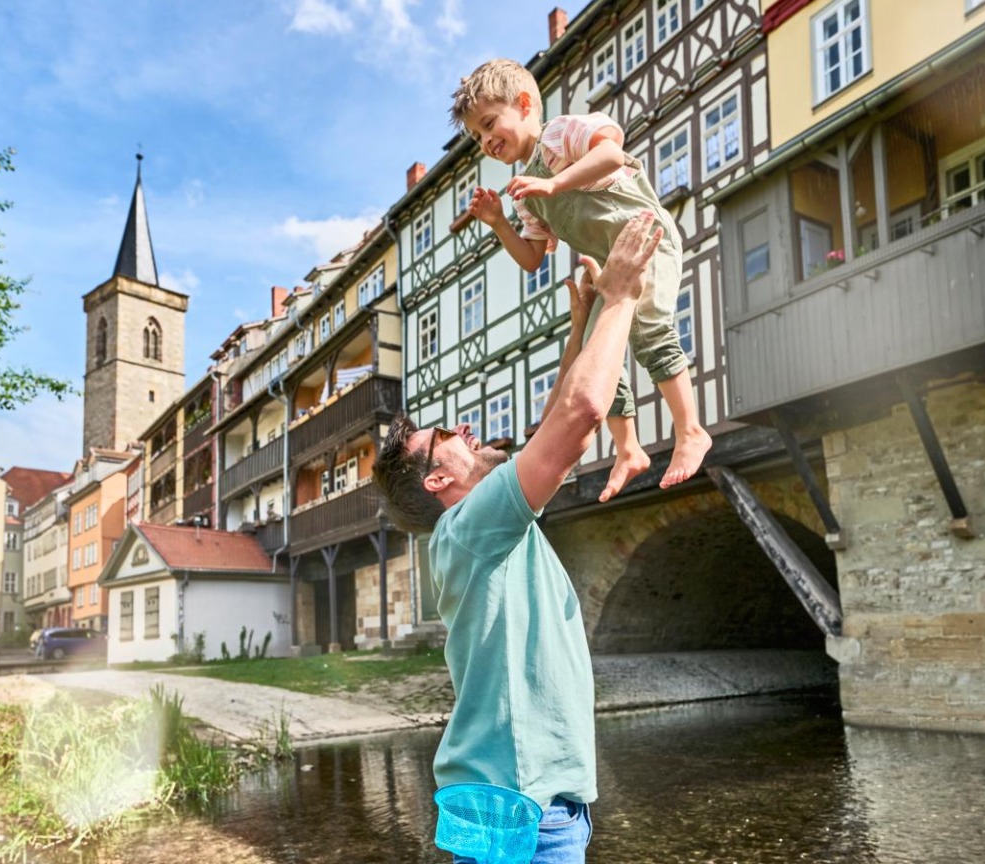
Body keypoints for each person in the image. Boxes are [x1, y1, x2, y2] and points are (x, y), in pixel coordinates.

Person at [376, 213, 664, 863]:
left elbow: (554, 418)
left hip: (523, 803)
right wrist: (620, 296)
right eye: (445, 435)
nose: (465, 430)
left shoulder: (477, 531)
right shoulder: (469, 529)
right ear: (439, 478)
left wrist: (580, 324)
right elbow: (579, 418)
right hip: (521, 808)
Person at [453, 57, 712, 502]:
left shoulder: (561, 133)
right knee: (597, 359)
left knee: (649, 328)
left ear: (524, 103)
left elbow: (611, 152)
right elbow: (532, 258)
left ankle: (690, 430)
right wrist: (498, 222)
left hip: (647, 239)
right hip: (613, 270)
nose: (486, 141)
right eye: (478, 136)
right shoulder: (524, 195)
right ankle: (629, 449)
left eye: (490, 124)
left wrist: (555, 186)